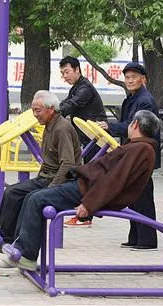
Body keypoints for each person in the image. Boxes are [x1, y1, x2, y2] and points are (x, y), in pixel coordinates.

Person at [0, 110, 160, 271]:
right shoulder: (138, 147)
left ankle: (26, 255)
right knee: (30, 196)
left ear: (135, 124)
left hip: (87, 191)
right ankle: (17, 246)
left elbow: (115, 180)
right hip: (85, 185)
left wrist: (89, 204)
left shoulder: (141, 149)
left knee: (37, 199)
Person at [0, 90, 82, 253]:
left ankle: (20, 245)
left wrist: (54, 187)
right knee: (12, 192)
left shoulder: (61, 128)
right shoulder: (49, 125)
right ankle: (5, 237)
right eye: (33, 110)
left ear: (51, 109)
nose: (35, 115)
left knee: (30, 198)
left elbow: (68, 163)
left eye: (38, 110)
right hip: (45, 177)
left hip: (58, 181)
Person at [98, 62, 160, 250]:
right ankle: (136, 237)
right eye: (127, 77)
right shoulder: (132, 98)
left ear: (143, 79)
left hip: (143, 153)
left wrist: (110, 126)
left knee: (142, 197)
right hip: (134, 152)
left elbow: (135, 126)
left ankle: (147, 240)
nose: (130, 80)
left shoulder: (145, 101)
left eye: (134, 77)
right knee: (134, 196)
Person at [58, 56, 108, 227]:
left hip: (96, 139)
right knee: (84, 175)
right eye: (62, 73)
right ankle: (81, 214)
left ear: (77, 70)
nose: (65, 76)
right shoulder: (76, 87)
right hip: (88, 138)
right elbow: (66, 103)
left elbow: (71, 105)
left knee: (90, 177)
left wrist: (53, 112)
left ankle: (85, 217)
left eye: (67, 72)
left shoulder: (84, 89)